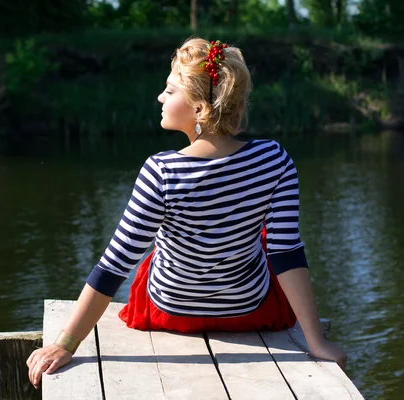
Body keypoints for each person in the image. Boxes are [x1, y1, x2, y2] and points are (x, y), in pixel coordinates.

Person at [26, 37, 347, 389]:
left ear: (198, 108)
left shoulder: (161, 171)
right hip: (250, 311)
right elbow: (287, 254)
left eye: (169, 89)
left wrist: (66, 342)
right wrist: (316, 343)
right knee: (271, 238)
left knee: (149, 249)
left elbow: (115, 265)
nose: (160, 98)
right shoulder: (274, 159)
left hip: (170, 312)